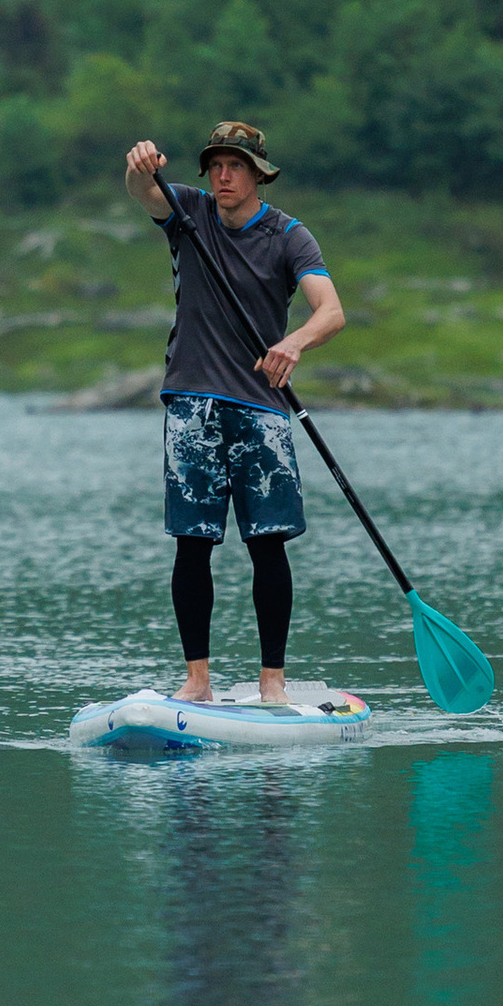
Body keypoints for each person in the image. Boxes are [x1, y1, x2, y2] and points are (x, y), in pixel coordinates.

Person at [123, 121, 346, 707]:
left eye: (237, 166)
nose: (223, 176)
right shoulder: (188, 214)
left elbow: (331, 311)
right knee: (192, 544)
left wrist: (295, 343)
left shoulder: (289, 236)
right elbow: (142, 191)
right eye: (216, 165)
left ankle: (272, 682)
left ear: (258, 174)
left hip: (261, 410)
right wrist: (139, 165)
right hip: (191, 404)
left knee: (267, 545)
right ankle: (198, 681)